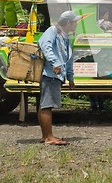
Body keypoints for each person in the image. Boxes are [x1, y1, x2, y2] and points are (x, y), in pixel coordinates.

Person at [38, 10, 80, 145]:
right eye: (75, 22)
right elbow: (45, 45)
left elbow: (68, 59)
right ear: (68, 22)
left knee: (46, 105)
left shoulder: (65, 37)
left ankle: (46, 136)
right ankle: (49, 137)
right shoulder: (52, 31)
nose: (76, 25)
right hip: (50, 74)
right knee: (47, 105)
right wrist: (54, 62)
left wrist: (70, 77)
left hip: (57, 76)